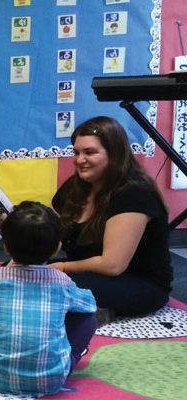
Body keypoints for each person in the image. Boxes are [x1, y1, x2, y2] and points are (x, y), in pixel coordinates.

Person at [0, 201, 97, 396]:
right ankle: (69, 357)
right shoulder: (62, 282)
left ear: (5, 247)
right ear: (58, 248)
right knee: (89, 319)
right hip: (52, 380)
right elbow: (89, 305)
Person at [51, 116, 172, 318]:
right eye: (76, 152)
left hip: (138, 283)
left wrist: (62, 267)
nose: (79, 160)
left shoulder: (134, 194)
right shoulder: (74, 187)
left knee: (52, 286)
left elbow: (112, 265)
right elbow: (52, 237)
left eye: (89, 152)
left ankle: (97, 313)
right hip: (86, 272)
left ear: (114, 154)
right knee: (21, 274)